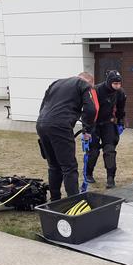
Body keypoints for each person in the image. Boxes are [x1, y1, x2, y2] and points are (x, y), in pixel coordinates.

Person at [36, 72, 98, 201]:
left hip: (42, 123)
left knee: (53, 165)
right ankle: (73, 202)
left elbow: (43, 105)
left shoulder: (56, 83)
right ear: (90, 82)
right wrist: (87, 129)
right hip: (60, 125)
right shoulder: (84, 85)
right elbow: (91, 109)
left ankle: (55, 199)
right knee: (69, 167)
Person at [86, 70, 127, 189]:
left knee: (110, 150)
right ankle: (88, 173)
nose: (117, 86)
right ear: (109, 82)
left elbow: (121, 109)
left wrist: (120, 123)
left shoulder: (120, 93)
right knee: (93, 151)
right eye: (115, 84)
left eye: (119, 84)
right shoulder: (96, 90)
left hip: (108, 123)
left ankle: (110, 178)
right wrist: (87, 127)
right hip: (94, 124)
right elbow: (88, 110)